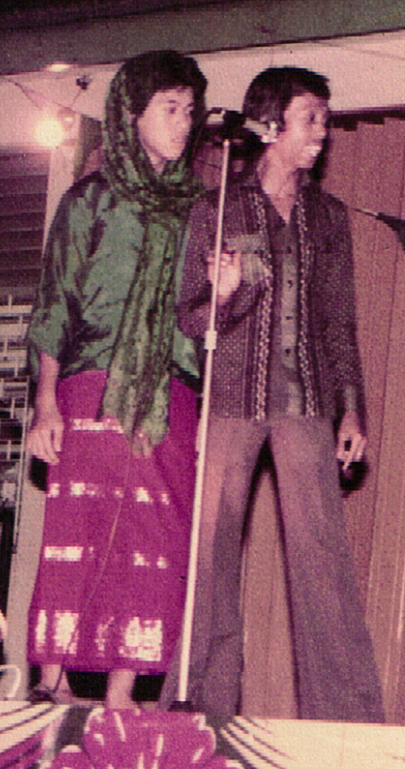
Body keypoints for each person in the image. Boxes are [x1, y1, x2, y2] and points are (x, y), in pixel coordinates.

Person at [165, 66, 384, 722]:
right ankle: (204, 706)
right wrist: (225, 296)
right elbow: (188, 318)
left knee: (322, 558)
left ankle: (346, 717)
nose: (324, 130)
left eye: (325, 117)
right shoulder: (216, 210)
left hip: (307, 404)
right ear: (270, 125)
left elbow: (338, 320)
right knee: (212, 555)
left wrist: (352, 405)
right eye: (312, 116)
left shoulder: (329, 217)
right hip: (231, 398)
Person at [24, 50, 207, 709]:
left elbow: (203, 312)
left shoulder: (199, 211)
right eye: (169, 108)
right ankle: (54, 681)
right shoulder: (90, 199)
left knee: (153, 536)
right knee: (80, 525)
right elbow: (55, 301)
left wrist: (232, 288)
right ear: (132, 116)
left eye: (190, 110)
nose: (183, 123)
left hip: (172, 390)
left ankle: (124, 691)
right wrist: (46, 401)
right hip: (90, 382)